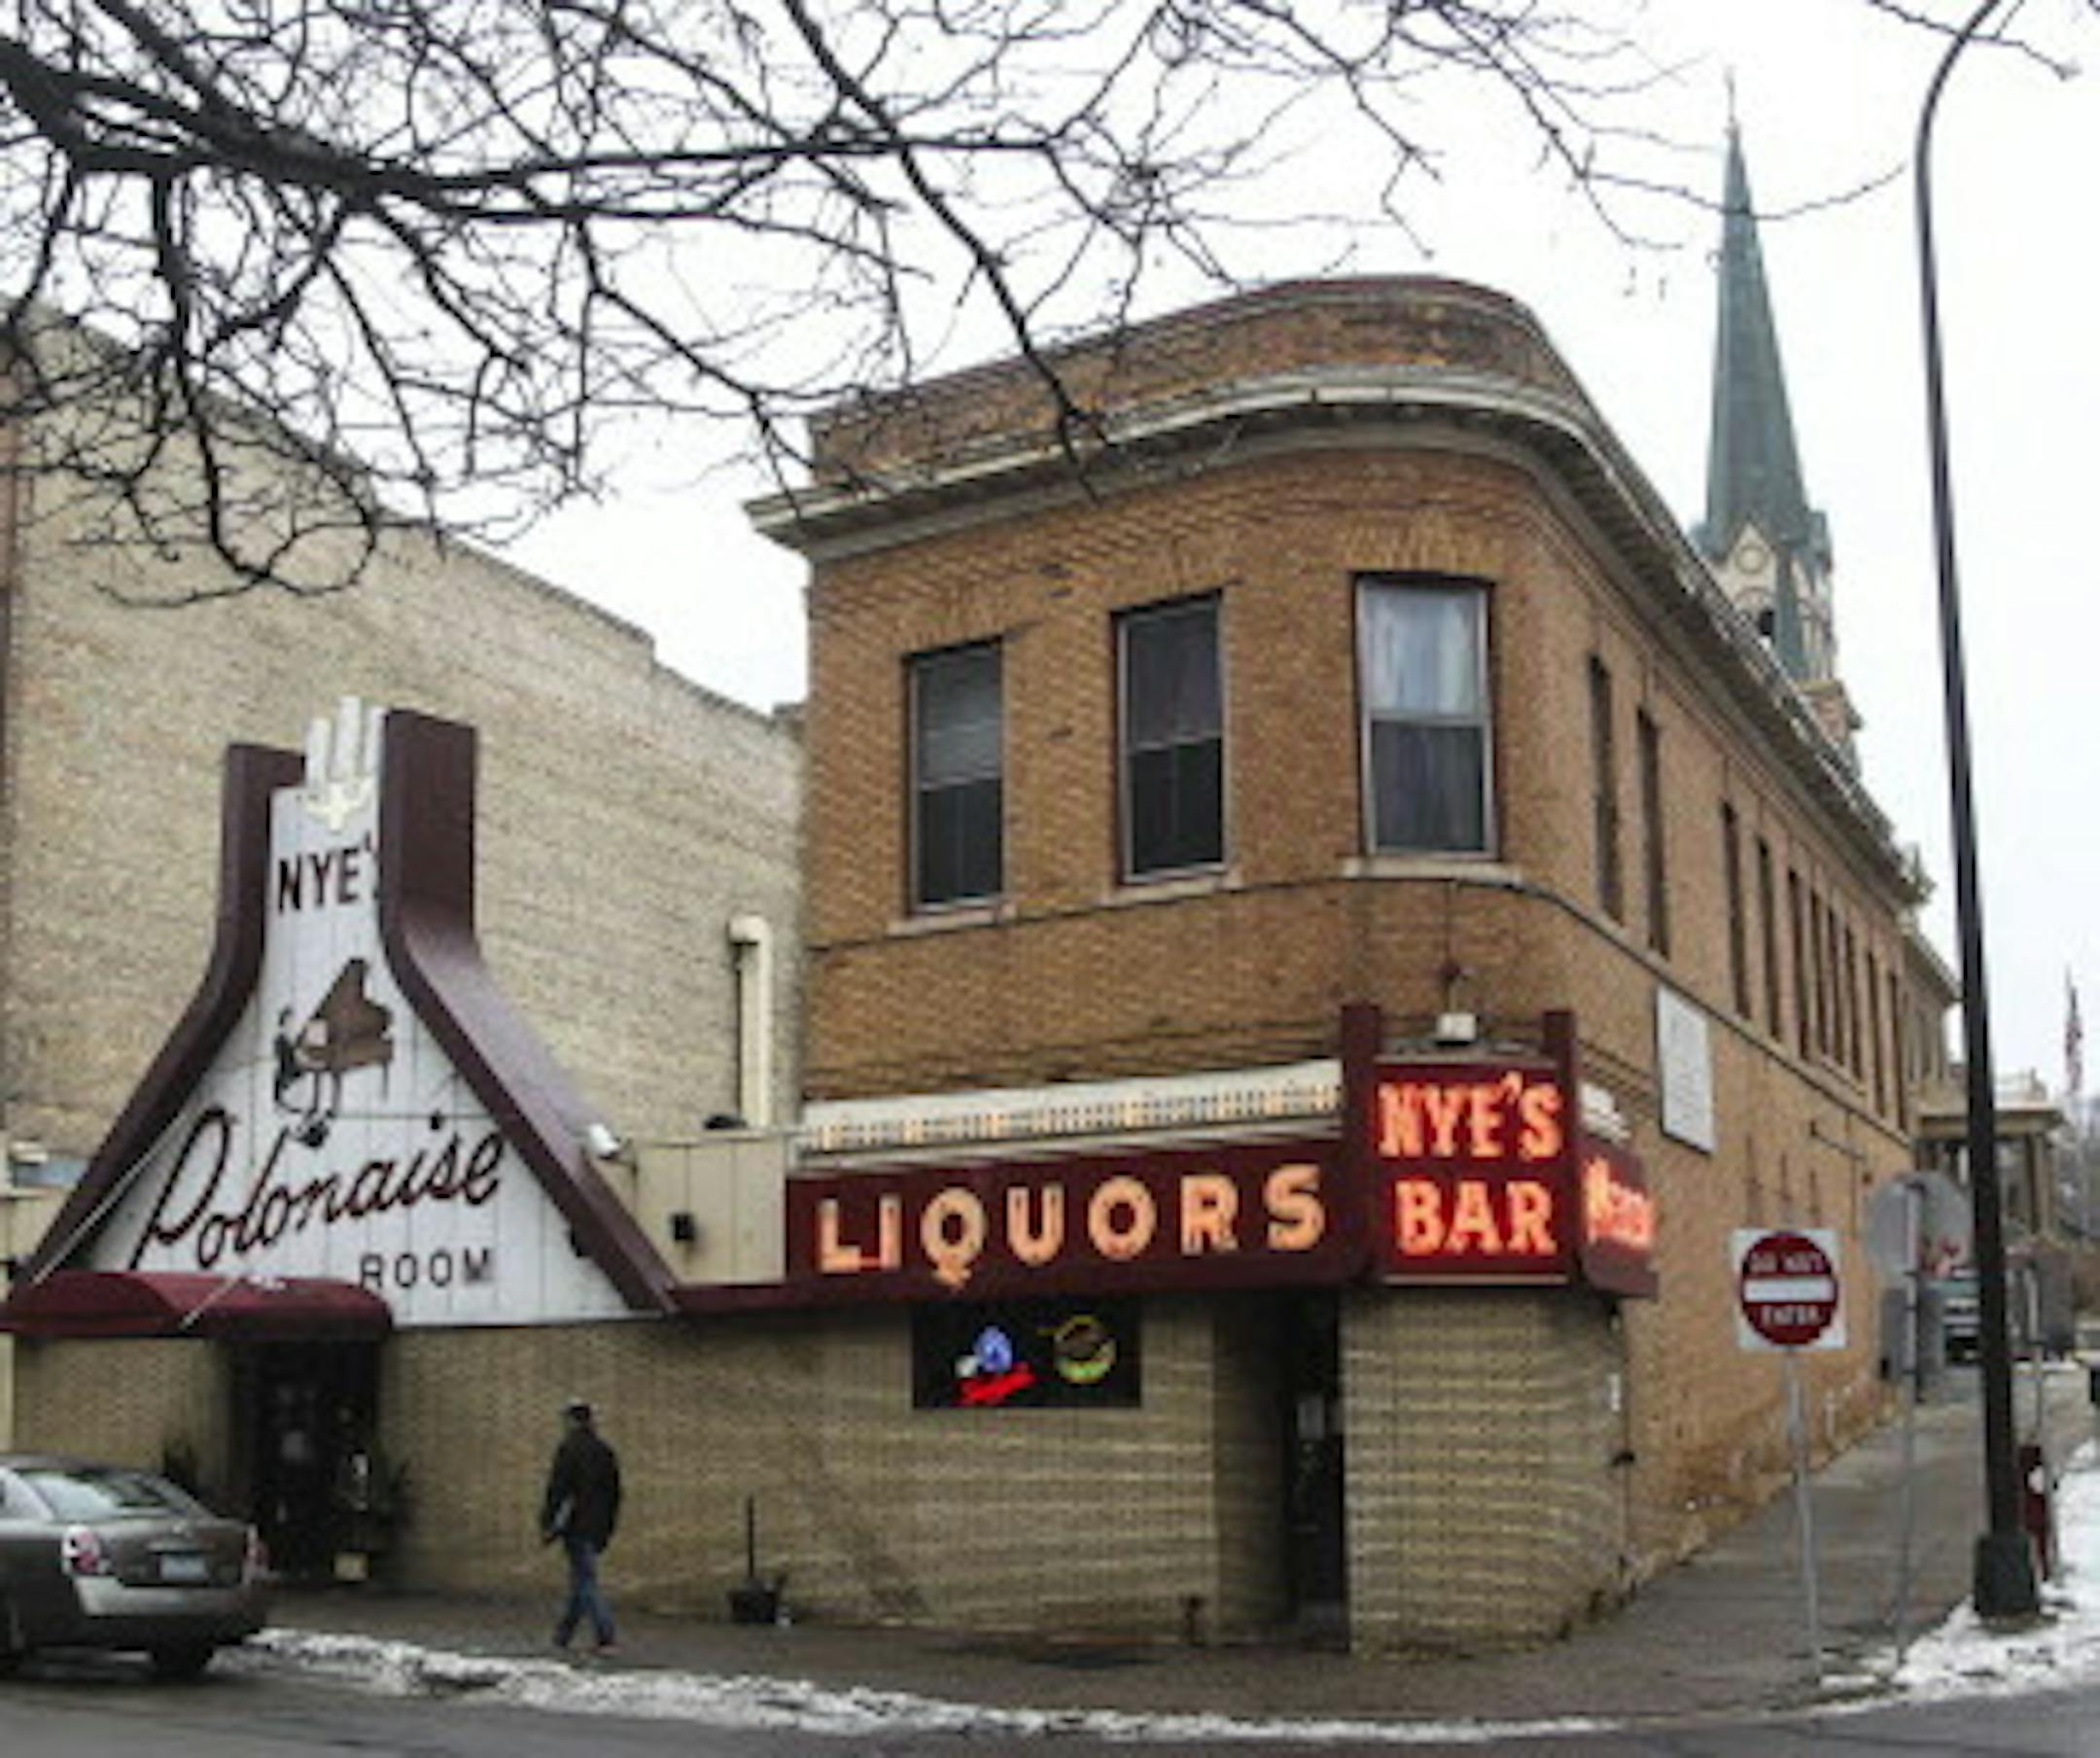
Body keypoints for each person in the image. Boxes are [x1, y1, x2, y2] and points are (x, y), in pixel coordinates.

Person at [540, 1398, 622, 1654]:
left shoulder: (569, 1449)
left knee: (586, 1582)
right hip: (597, 1527)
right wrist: (608, 1527)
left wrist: (548, 1523)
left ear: (573, 1421)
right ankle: (562, 1636)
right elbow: (615, 1493)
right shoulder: (604, 1450)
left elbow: (558, 1489)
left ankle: (606, 1636)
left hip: (575, 1525)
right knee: (580, 1581)